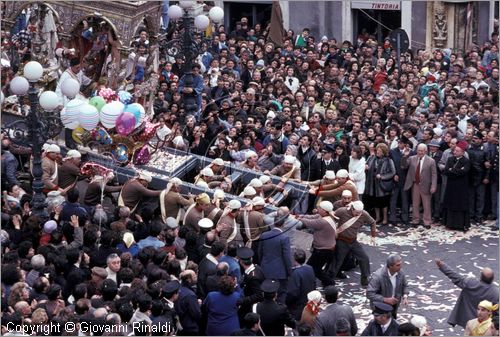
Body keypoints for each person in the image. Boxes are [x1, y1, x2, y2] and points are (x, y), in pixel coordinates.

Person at [436, 259, 499, 328]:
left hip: (468, 320)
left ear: (481, 277)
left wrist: (442, 266)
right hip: (484, 324)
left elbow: (455, 277)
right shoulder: (496, 293)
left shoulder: (470, 283)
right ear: (492, 278)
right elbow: (496, 312)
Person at [329, 200, 377, 287]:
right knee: (337, 261)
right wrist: (333, 230)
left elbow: (372, 222)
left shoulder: (364, 214)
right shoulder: (342, 211)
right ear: (352, 209)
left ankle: (365, 280)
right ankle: (329, 280)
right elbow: (331, 216)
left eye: (360, 213)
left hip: (353, 241)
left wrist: (373, 236)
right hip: (342, 241)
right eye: (356, 212)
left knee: (364, 258)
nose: (358, 214)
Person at [296, 201, 337, 287]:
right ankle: (321, 282)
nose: (317, 209)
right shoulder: (325, 216)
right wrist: (302, 216)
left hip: (324, 250)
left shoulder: (323, 222)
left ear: (324, 211)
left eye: (319, 208)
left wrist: (299, 218)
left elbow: (310, 223)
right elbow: (312, 217)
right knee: (313, 267)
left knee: (314, 269)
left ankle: (329, 282)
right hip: (324, 248)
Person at [259, 210, 293, 304]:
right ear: (283, 224)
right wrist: (289, 272)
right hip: (280, 272)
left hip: (265, 268)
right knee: (281, 294)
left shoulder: (264, 235)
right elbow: (287, 257)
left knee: (265, 292)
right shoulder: (284, 237)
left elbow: (260, 252)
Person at [402, 143, 437, 229]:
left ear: (425, 151)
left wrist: (433, 186)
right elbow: (403, 166)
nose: (420, 152)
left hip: (426, 185)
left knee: (426, 204)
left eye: (422, 151)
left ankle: (427, 221)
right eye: (418, 150)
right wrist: (404, 156)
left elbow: (434, 175)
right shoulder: (412, 158)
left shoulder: (431, 161)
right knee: (415, 204)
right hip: (415, 184)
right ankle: (415, 220)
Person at [442, 141, 472, 231]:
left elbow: (464, 172)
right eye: (455, 150)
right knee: (450, 204)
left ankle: (460, 224)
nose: (455, 152)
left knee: (460, 205)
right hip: (451, 185)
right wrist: (456, 170)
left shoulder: (466, 161)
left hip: (461, 187)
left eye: (457, 151)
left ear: (462, 152)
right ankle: (449, 223)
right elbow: (446, 171)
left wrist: (453, 170)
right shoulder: (450, 159)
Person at [364, 143, 396, 225]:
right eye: (377, 150)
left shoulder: (388, 160)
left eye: (380, 151)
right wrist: (366, 167)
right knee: (375, 202)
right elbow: (366, 165)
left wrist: (382, 176)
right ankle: (377, 217)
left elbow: (392, 172)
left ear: (384, 152)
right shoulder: (371, 158)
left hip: (382, 185)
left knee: (384, 202)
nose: (378, 152)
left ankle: (385, 218)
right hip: (372, 184)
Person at [285, 248, 316, 320]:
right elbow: (314, 283)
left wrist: (286, 302)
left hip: (298, 306)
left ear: (294, 259)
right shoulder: (310, 268)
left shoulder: (296, 273)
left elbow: (292, 293)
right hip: (308, 301)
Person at [175, 269, 201, 335]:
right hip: (190, 328)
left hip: (181, 325)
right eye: (195, 277)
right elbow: (196, 314)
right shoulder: (190, 295)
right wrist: (197, 305)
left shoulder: (178, 288)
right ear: (189, 279)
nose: (196, 278)